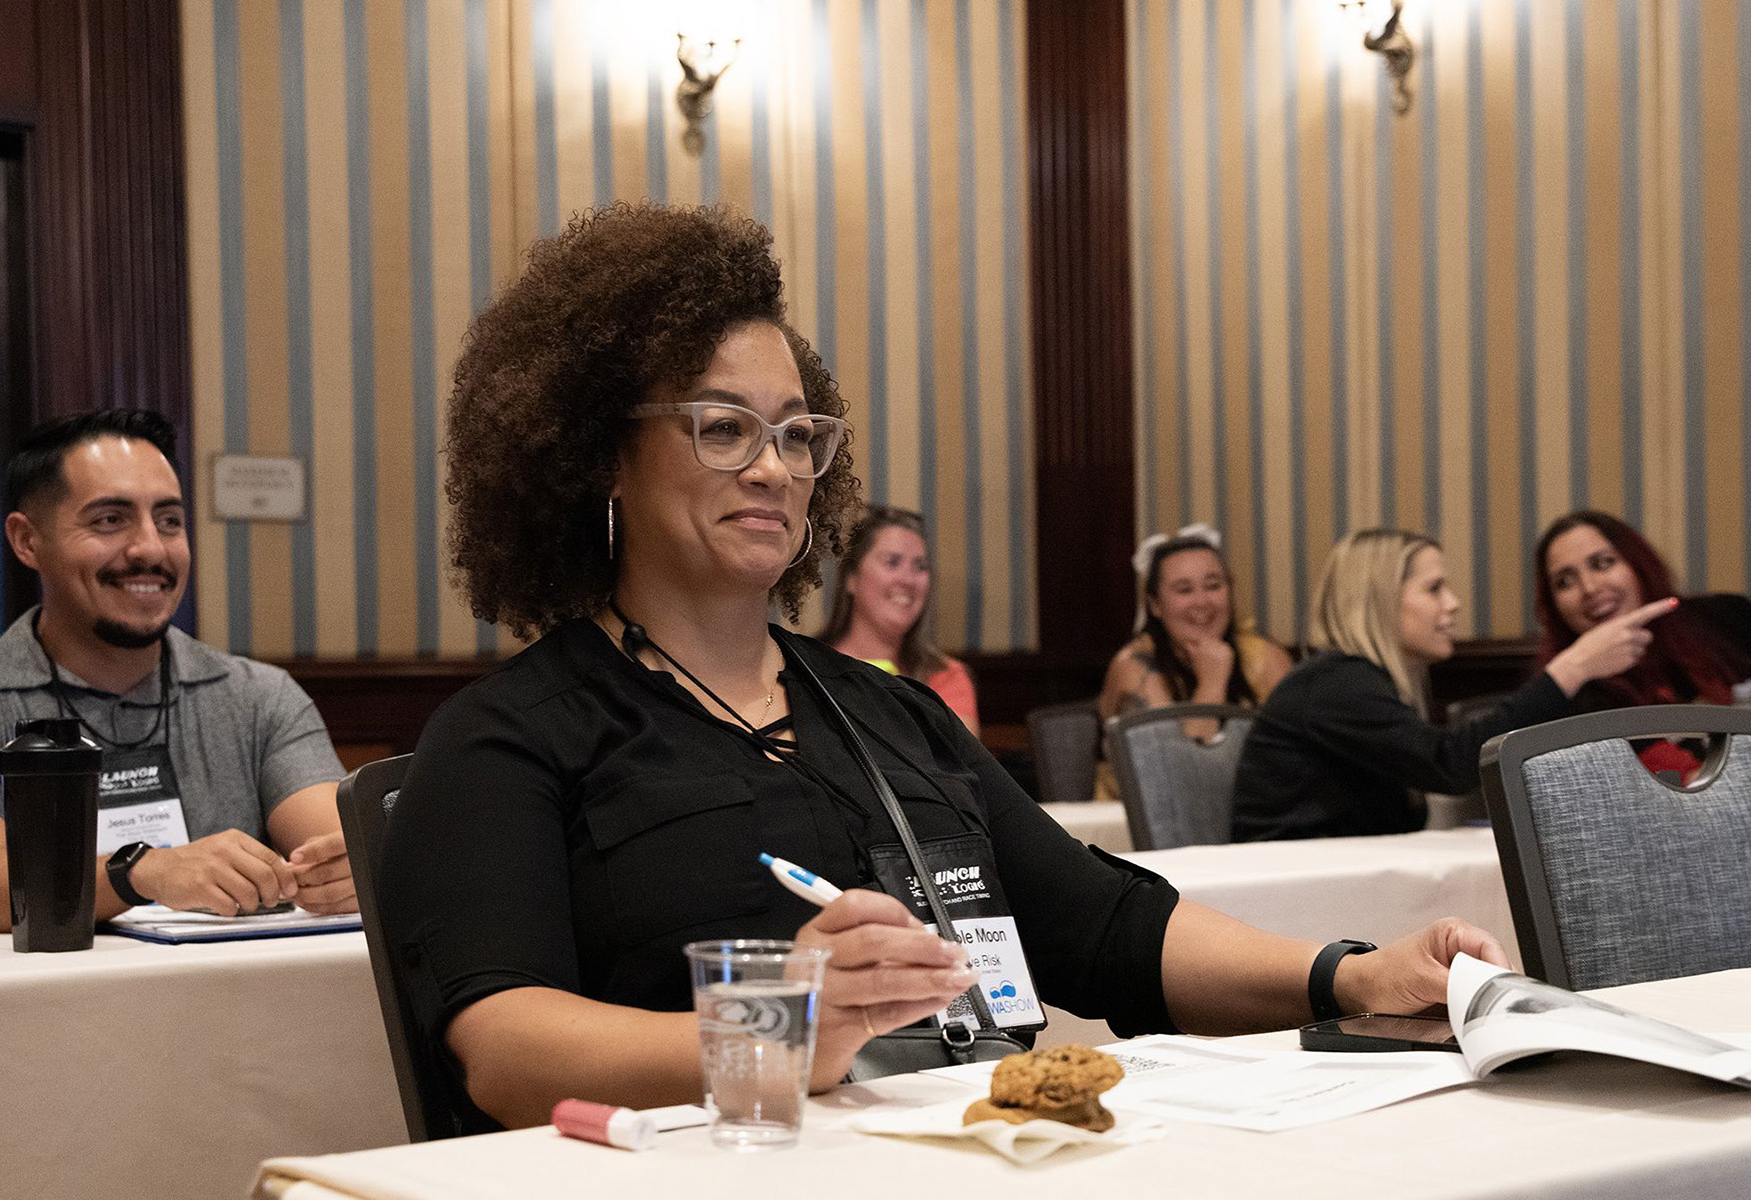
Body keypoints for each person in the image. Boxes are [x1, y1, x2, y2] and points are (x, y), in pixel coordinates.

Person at [378, 203, 1513, 1135]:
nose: (774, 468)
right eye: (723, 428)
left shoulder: (892, 716)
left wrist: (1350, 977)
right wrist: (786, 1030)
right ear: (596, 456)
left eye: (795, 434)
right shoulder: (510, 738)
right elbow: (501, 1050)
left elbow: (1107, 925)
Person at [0, 410, 354, 932]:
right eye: (110, 520)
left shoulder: (258, 696)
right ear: (27, 541)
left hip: (235, 1004)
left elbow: (330, 843)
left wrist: (346, 869)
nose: (151, 548)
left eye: (169, 521)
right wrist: (140, 872)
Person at [1231, 528, 1674, 841]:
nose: (1453, 603)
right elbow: (1451, 765)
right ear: (1383, 600)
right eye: (1434, 588)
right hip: (1287, 892)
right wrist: (1572, 667)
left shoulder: (1357, 681)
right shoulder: (1335, 684)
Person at [1535, 510, 1751, 778]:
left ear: (1638, 565)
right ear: (1553, 606)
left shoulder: (1727, 616)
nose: (1589, 588)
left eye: (1602, 563)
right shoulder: (1570, 696)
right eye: (1565, 581)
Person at [1098, 525, 1294, 742]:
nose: (1202, 602)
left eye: (1213, 586)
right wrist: (1212, 683)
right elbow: (1170, 770)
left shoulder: (1265, 656)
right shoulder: (1135, 667)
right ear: (1155, 605)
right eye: (1184, 590)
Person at [820, 505, 979, 735]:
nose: (908, 580)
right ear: (850, 578)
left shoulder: (945, 676)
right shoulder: (806, 665)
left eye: (920, 567)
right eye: (892, 562)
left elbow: (959, 767)